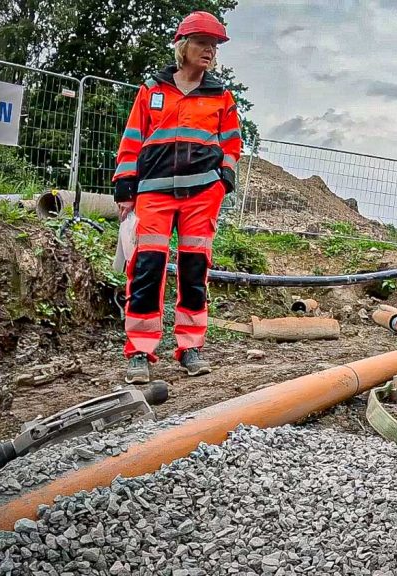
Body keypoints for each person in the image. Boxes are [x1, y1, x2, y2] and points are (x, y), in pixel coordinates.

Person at [112, 11, 242, 383]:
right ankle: (140, 350)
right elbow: (132, 140)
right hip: (153, 193)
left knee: (194, 271)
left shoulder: (221, 96)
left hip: (202, 194)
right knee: (147, 269)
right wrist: (125, 186)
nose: (210, 51)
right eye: (202, 43)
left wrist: (223, 180)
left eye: (214, 46)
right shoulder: (151, 90)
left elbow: (232, 144)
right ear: (183, 47)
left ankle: (191, 347)